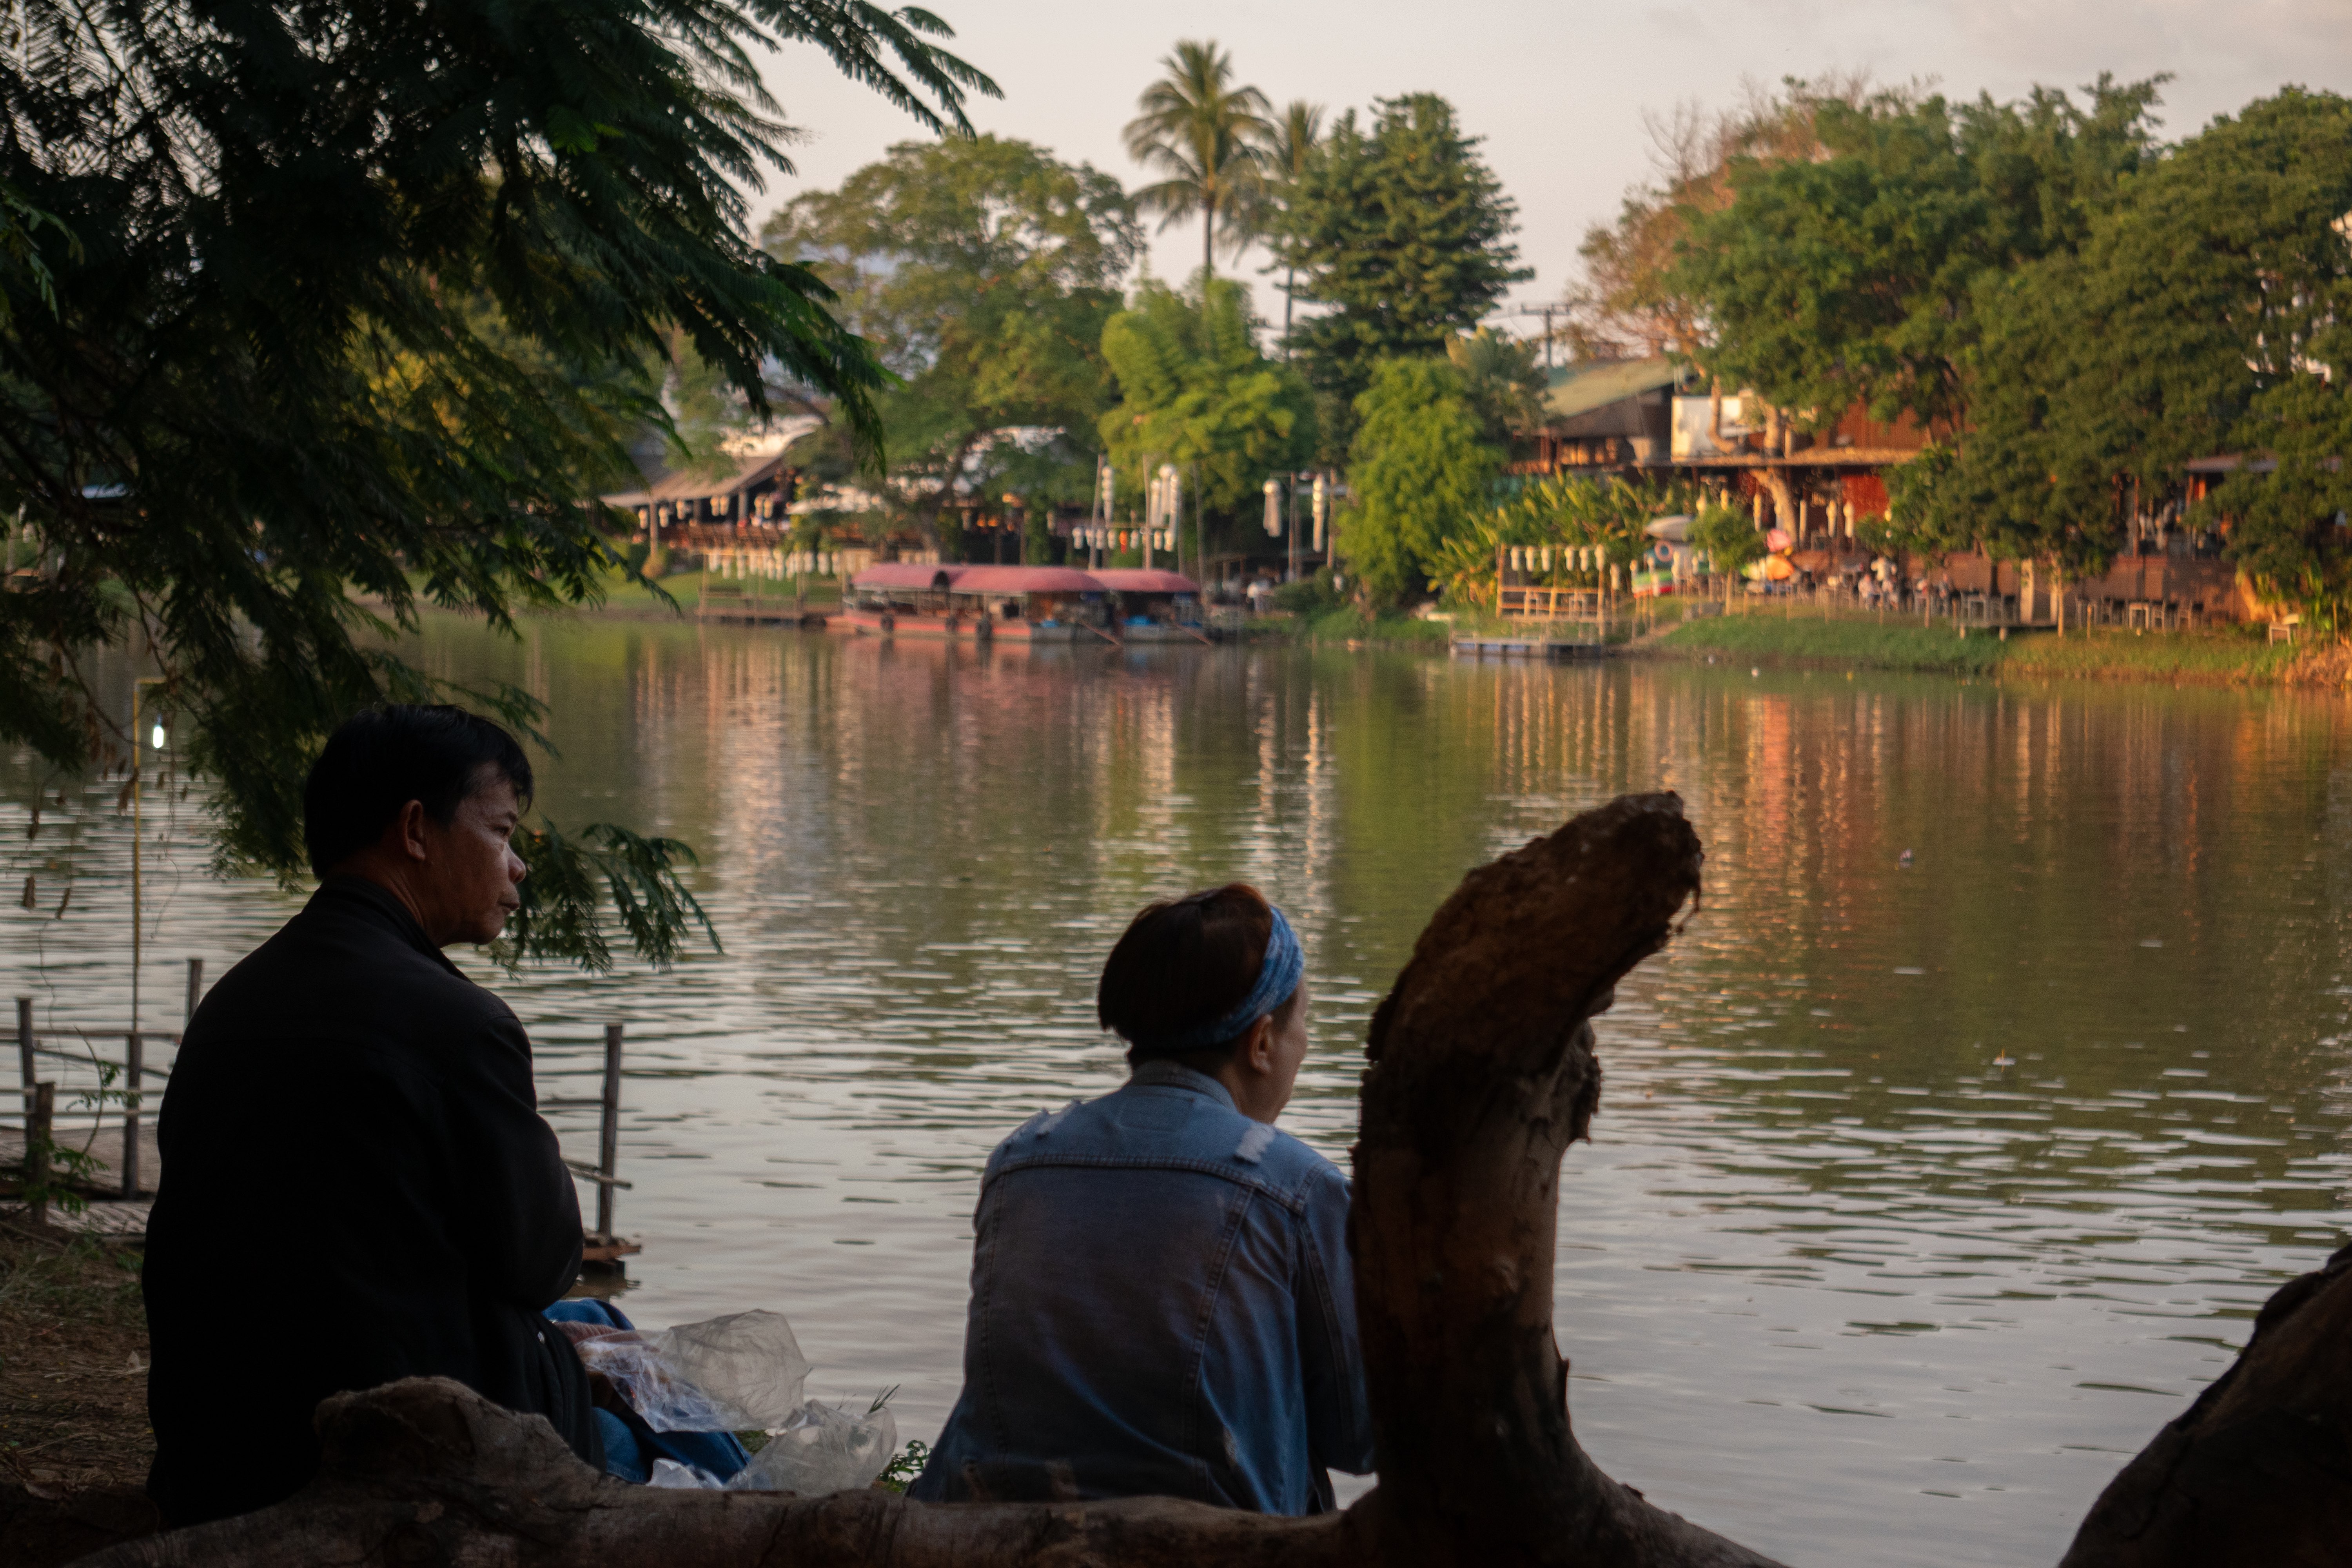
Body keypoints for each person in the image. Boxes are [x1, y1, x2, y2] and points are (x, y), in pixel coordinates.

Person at [142, 705, 601, 1525]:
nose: (518, 865)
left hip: (220, 1456)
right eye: (501, 831)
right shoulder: (464, 1024)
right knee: (598, 1338)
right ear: (417, 829)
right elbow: (543, 1262)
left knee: (593, 1325)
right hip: (401, 1464)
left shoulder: (231, 1002)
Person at [910, 885, 1374, 1514]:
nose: (1305, 1046)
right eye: (1305, 1026)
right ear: (1262, 1043)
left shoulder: (1019, 1163)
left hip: (998, 1541)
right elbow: (1363, 1436)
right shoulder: (1296, 1190)